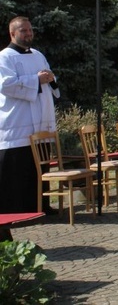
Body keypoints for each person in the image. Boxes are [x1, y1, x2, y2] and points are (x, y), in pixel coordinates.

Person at [0, 17, 59, 236]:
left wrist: (50, 78)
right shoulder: (4, 57)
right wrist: (36, 79)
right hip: (18, 123)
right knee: (17, 171)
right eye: (23, 31)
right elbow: (6, 85)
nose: (28, 34)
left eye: (30, 30)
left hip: (41, 121)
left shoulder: (38, 54)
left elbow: (50, 79)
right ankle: (16, 211)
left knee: (39, 167)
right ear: (12, 33)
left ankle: (40, 205)